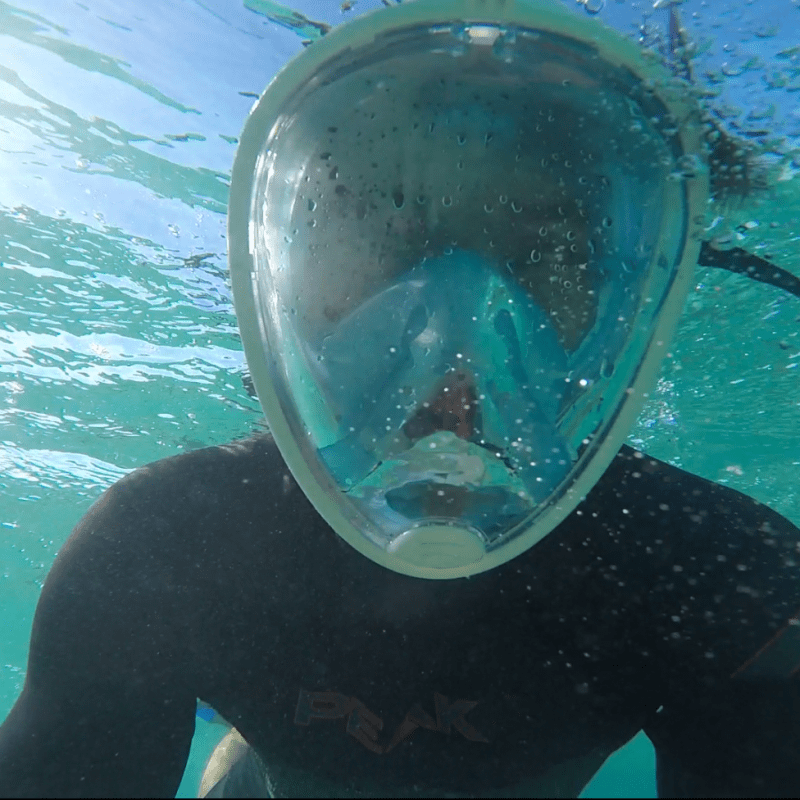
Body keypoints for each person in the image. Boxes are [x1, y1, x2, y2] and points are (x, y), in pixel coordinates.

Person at [1, 0, 798, 796]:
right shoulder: (161, 548)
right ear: (282, 290)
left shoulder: (718, 583)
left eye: (544, 252)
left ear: (626, 304)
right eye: (386, 238)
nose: (454, 359)